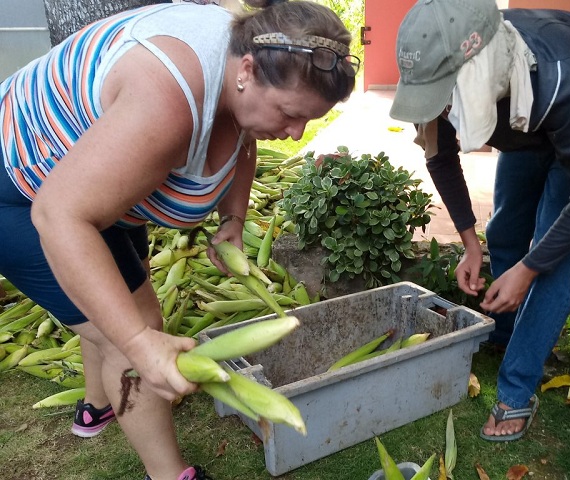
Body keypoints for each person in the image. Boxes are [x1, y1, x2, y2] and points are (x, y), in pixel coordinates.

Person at [0, 0, 358, 478]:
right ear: (247, 70)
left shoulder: (243, 65)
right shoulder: (165, 103)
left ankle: (96, 406)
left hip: (91, 178)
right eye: (290, 114)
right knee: (134, 330)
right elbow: (60, 215)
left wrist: (233, 216)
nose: (295, 134)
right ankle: (168, 473)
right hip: (23, 192)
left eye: (308, 120)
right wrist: (136, 341)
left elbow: (246, 135)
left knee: (121, 298)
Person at [390, 0, 570, 442]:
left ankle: (517, 388)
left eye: (447, 99)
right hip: (530, 112)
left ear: (480, 74)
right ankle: (503, 329)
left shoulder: (563, 78)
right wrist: (469, 243)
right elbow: (441, 158)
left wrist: (528, 269)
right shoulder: (444, 71)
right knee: (504, 231)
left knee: (550, 258)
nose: (443, 111)